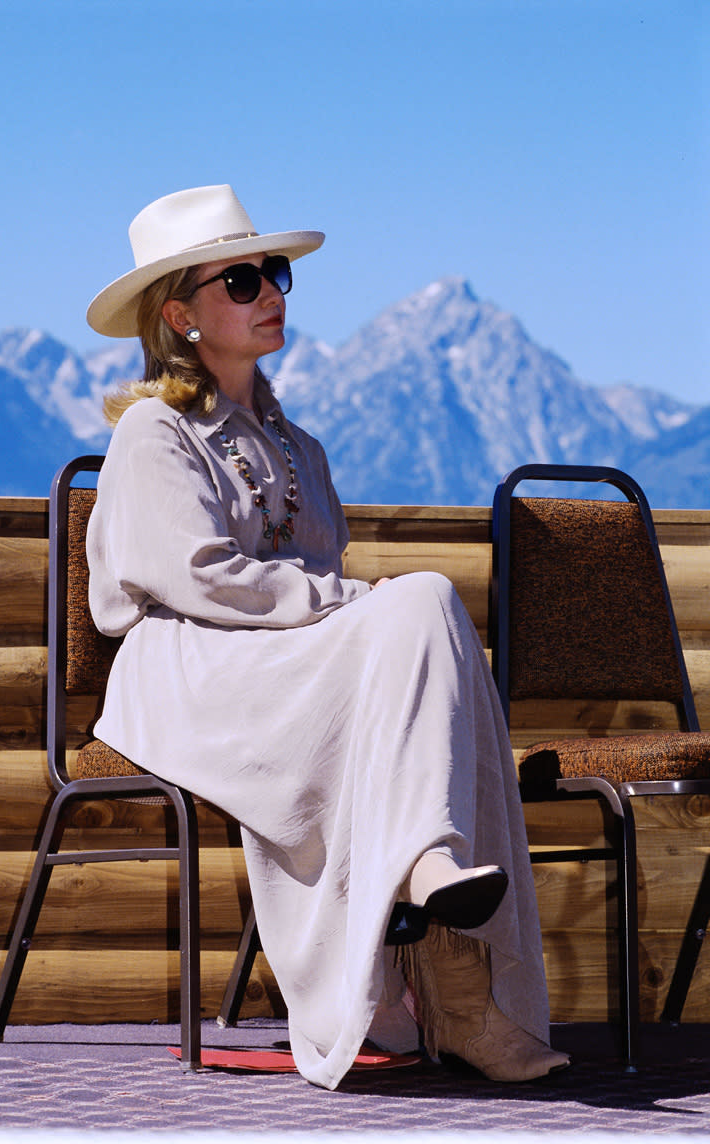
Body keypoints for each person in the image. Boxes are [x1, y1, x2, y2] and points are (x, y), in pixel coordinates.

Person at [84, 184, 569, 1091]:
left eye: (275, 272)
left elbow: (319, 596)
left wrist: (356, 607)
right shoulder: (155, 433)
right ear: (181, 316)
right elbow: (201, 577)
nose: (271, 289)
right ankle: (452, 973)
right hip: (190, 665)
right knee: (416, 602)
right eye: (242, 278)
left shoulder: (298, 446)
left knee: (422, 610)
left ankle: (440, 923)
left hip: (286, 660)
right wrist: (348, 599)